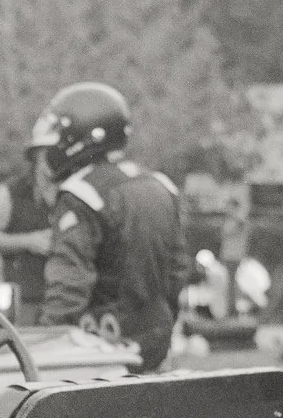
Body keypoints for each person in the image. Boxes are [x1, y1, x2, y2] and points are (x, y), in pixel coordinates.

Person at [34, 82, 192, 370]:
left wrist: (46, 342)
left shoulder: (82, 194)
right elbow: (177, 270)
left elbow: (69, 284)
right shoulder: (159, 184)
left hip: (101, 346)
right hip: (155, 339)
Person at [0, 141, 57, 323]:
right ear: (36, 156)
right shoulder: (12, 190)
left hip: (60, 297)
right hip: (23, 298)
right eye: (49, 154)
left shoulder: (73, 190)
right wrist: (29, 241)